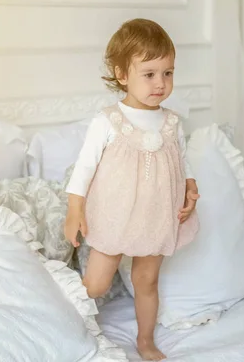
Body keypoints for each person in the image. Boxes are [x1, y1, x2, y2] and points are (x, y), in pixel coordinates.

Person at [64, 18, 200, 361]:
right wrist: (75, 209)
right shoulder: (108, 120)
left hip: (156, 216)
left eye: (168, 73)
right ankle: (64, 325)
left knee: (147, 280)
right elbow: (84, 167)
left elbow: (183, 161)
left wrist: (190, 189)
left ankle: (145, 341)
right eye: (150, 74)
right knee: (96, 284)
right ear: (122, 74)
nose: (161, 83)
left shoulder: (172, 122)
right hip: (115, 216)